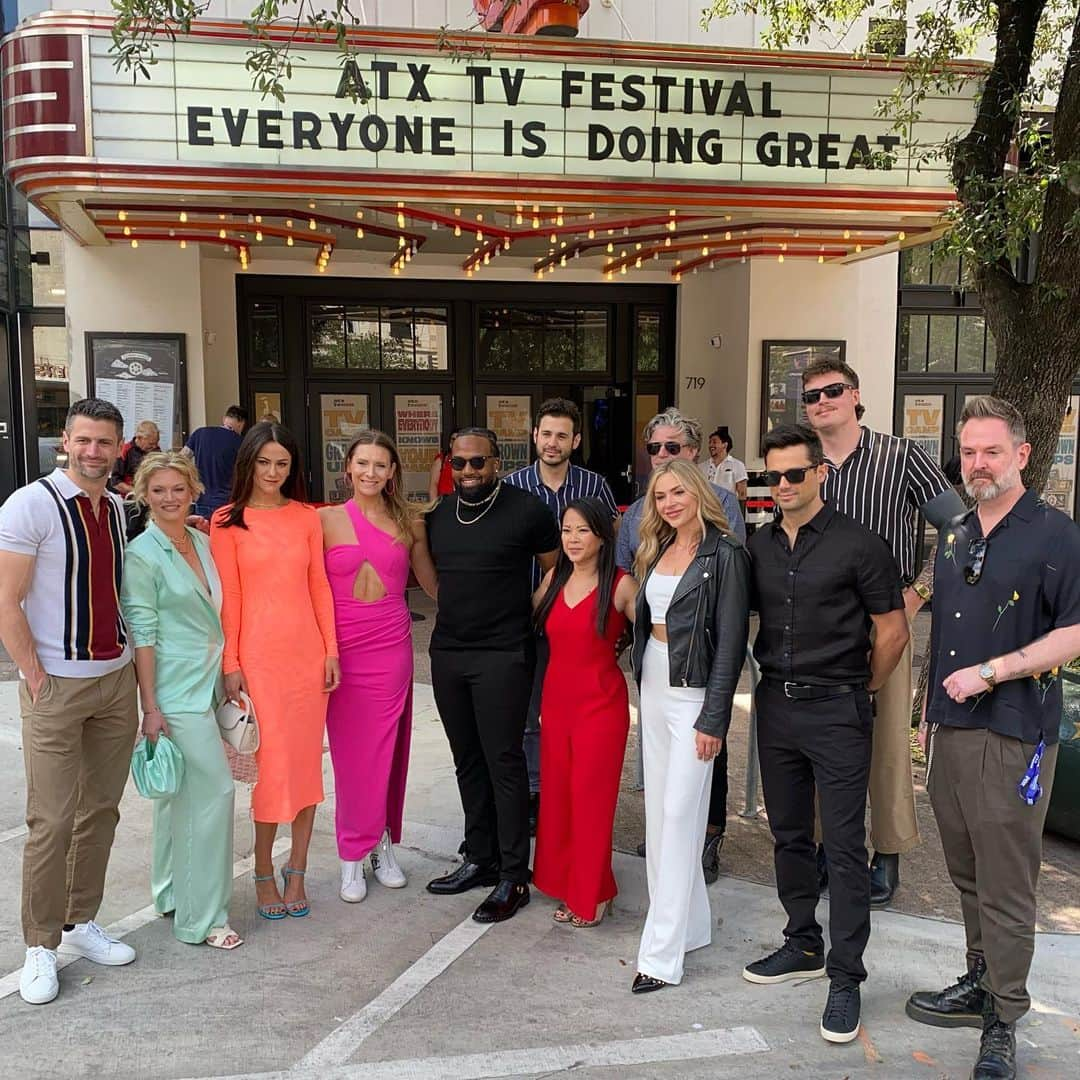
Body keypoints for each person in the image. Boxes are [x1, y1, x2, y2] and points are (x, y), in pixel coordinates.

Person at [905, 396, 1080, 1080]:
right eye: (969, 452)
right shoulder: (956, 531)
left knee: (1007, 881)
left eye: (991, 452)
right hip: (951, 731)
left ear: (1023, 455)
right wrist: (926, 713)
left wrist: (995, 671)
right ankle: (980, 979)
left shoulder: (1056, 534)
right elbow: (942, 629)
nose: (978, 464)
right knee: (967, 870)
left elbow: (1073, 630)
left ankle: (1004, 1018)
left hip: (1014, 733)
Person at [743, 424, 908, 1044]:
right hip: (776, 707)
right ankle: (801, 942)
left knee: (842, 847)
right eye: (772, 476)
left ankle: (846, 978)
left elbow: (891, 631)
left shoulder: (859, 544)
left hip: (839, 709)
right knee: (787, 835)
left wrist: (863, 689)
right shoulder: (757, 547)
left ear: (821, 474)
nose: (782, 486)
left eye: (794, 474)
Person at [802, 358, 965, 906]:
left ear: (854, 395)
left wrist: (919, 591)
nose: (821, 402)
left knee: (889, 740)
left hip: (884, 618)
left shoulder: (901, 456)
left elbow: (959, 527)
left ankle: (887, 854)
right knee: (824, 738)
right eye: (811, 396)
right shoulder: (802, 464)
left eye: (831, 392)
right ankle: (823, 847)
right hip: (819, 620)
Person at [0, 398, 137, 1005]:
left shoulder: (112, 507)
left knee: (100, 811)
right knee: (50, 820)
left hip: (115, 679)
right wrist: (32, 673)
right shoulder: (32, 503)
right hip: (55, 683)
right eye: (84, 440)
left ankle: (81, 922)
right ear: (66, 441)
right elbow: (6, 599)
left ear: (119, 446)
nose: (93, 452)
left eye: (105, 442)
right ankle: (39, 943)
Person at [424, 428, 559, 923]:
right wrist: (452, 603)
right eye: (459, 464)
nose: (468, 473)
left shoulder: (527, 510)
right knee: (467, 759)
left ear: (497, 463)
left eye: (478, 463)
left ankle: (512, 875)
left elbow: (554, 567)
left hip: (504, 652)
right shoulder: (438, 514)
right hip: (449, 652)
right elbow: (427, 568)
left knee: (504, 762)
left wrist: (527, 611)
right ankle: (478, 858)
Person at [210, 422, 339, 920]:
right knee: (270, 770)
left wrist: (331, 650)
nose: (272, 472)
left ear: (293, 467)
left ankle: (299, 868)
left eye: (281, 463)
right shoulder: (227, 520)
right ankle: (263, 869)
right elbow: (231, 598)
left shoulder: (307, 517)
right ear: (248, 464)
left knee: (305, 766)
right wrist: (232, 663)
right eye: (263, 462)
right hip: (258, 662)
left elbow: (320, 586)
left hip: (307, 659)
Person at [629, 460, 750, 993]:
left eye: (679, 492)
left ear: (700, 493)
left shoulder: (725, 555)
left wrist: (715, 716)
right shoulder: (656, 550)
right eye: (660, 496)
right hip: (654, 681)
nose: (670, 502)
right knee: (660, 813)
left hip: (694, 693)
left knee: (679, 817)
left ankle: (660, 954)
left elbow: (730, 644)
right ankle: (692, 924)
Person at [615, 407, 744, 883]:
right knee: (664, 791)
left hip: (699, 665)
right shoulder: (641, 519)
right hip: (654, 664)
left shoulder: (723, 512)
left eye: (672, 447)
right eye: (655, 449)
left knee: (703, 766)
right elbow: (629, 577)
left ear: (693, 453)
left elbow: (726, 602)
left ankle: (707, 837)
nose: (663, 455)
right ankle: (677, 863)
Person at [120, 452, 240, 950]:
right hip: (172, 689)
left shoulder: (202, 541)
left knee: (177, 799)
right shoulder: (141, 555)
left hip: (209, 681)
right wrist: (150, 707)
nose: (169, 497)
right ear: (144, 495)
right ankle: (204, 918)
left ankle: (170, 893)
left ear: (194, 490)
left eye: (178, 488)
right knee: (214, 794)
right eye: (159, 490)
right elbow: (141, 636)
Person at [319, 430, 438, 903]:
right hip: (342, 648)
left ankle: (382, 842)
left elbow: (431, 583)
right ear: (347, 467)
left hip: (391, 646)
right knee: (351, 755)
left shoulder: (409, 522)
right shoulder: (323, 520)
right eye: (362, 463)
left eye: (380, 465)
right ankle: (352, 852)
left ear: (392, 473)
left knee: (388, 749)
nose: (371, 472)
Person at [504, 398, 620, 834]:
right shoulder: (512, 486)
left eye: (561, 435)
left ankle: (572, 788)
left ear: (575, 440)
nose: (552, 443)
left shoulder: (595, 486)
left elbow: (614, 544)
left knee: (579, 710)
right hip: (529, 617)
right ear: (535, 436)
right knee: (532, 709)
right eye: (545, 433)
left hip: (583, 619)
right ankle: (538, 792)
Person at [531, 498, 637, 927]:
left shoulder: (622, 585)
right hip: (556, 706)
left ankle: (591, 894)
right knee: (558, 798)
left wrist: (626, 643)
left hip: (601, 707)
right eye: (566, 530)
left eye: (582, 531)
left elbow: (656, 635)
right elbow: (529, 620)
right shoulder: (554, 577)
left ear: (601, 536)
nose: (572, 539)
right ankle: (574, 881)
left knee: (592, 801)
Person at [185, 405, 248, 519]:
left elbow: (181, 459)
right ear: (241, 423)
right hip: (227, 501)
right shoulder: (240, 443)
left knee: (203, 535)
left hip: (202, 499)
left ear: (224, 419)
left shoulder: (200, 433)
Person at [701, 426, 748, 512]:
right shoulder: (701, 467)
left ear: (724, 445)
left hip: (728, 512)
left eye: (714, 442)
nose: (711, 445)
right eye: (710, 442)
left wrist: (740, 517)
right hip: (707, 512)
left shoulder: (737, 465)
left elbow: (742, 493)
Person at [111, 420, 160, 496]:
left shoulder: (156, 450)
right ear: (139, 438)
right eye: (151, 443)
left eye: (156, 443)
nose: (154, 446)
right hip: (131, 496)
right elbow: (115, 482)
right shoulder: (125, 450)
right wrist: (136, 491)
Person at [428, 429, 459, 502]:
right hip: (443, 503)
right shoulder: (441, 459)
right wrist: (435, 508)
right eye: (453, 439)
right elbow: (433, 485)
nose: (454, 442)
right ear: (450, 443)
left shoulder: (467, 461)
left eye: (457, 439)